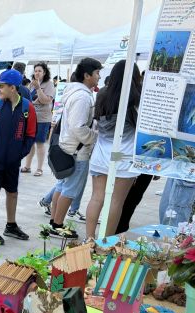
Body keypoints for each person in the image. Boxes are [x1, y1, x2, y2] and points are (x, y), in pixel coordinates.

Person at [85, 60, 142, 239]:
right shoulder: (137, 97)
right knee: (116, 201)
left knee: (97, 197)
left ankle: (89, 238)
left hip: (101, 154)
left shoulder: (102, 94)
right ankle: (105, 243)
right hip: (123, 156)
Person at [47, 57, 102, 239]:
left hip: (69, 148)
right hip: (77, 151)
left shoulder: (75, 93)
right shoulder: (82, 97)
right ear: (87, 75)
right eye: (97, 73)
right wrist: (93, 138)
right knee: (69, 190)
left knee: (62, 187)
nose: (99, 77)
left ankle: (54, 222)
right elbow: (78, 126)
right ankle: (57, 225)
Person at [0, 69, 36, 245]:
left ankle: (11, 226)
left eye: (2, 86)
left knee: (13, 193)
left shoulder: (28, 108)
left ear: (13, 88)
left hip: (13, 162)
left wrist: (20, 154)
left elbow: (30, 135)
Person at [22, 62, 55, 176]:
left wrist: (38, 88)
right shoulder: (31, 84)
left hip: (42, 118)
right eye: (35, 71)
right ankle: (27, 166)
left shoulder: (49, 84)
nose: (37, 73)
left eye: (40, 71)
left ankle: (40, 168)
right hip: (30, 117)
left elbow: (45, 100)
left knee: (40, 143)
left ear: (44, 72)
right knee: (29, 143)